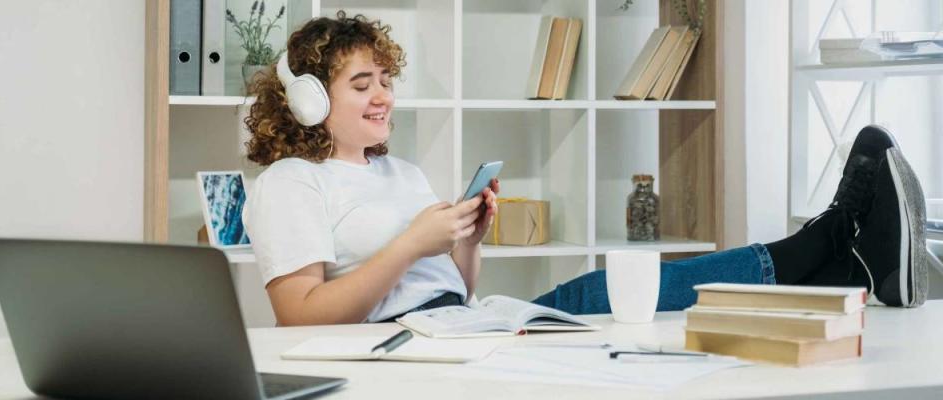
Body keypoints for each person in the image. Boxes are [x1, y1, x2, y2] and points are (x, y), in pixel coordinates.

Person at [242, 12, 929, 326]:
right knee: (622, 291)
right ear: (307, 98)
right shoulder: (291, 185)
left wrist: (467, 243)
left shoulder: (405, 174)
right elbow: (300, 317)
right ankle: (832, 245)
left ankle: (842, 261)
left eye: (386, 79)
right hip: (412, 348)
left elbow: (451, 287)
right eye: (362, 84)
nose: (384, 95)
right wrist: (409, 245)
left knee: (623, 290)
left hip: (464, 324)